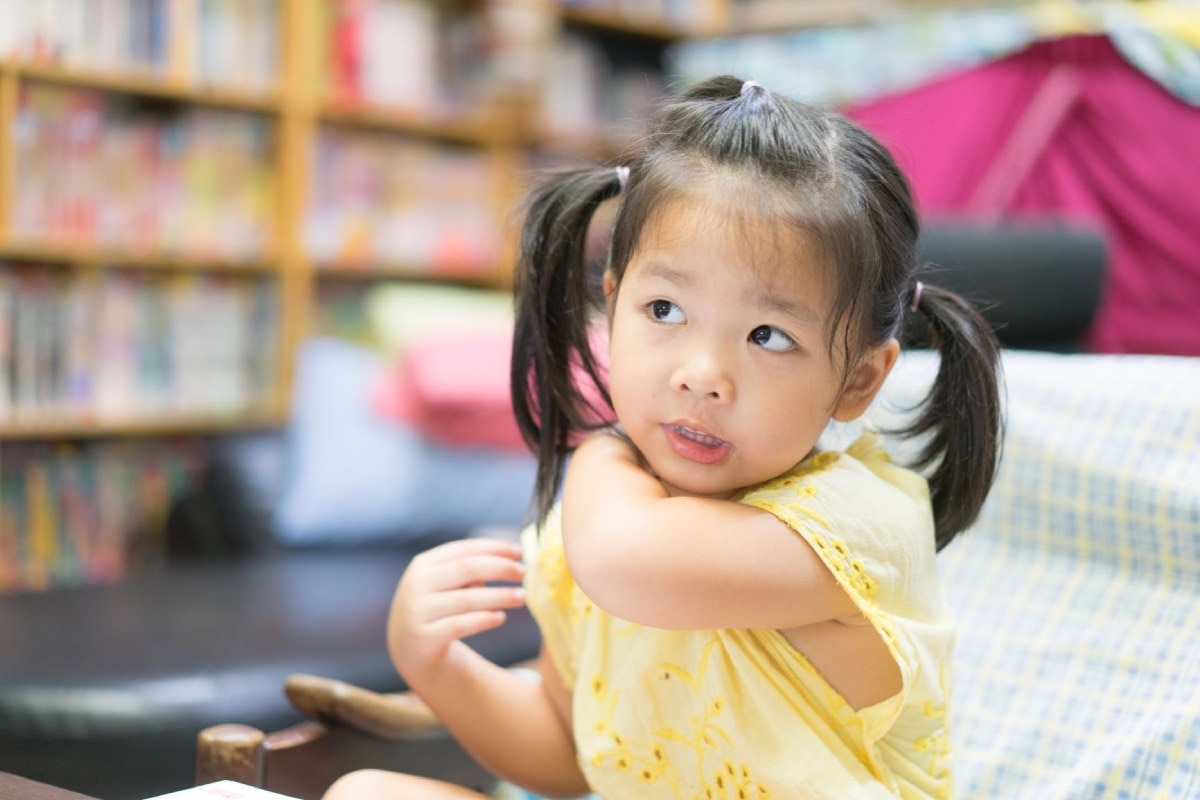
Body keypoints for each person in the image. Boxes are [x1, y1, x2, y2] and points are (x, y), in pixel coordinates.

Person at [324, 75, 1002, 800]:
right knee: (368, 793)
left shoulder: (858, 524)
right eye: (665, 309)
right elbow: (568, 750)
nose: (703, 375)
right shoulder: (604, 517)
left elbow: (625, 557)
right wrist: (434, 665)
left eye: (768, 336)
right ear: (611, 305)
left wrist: (601, 449)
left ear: (859, 381)